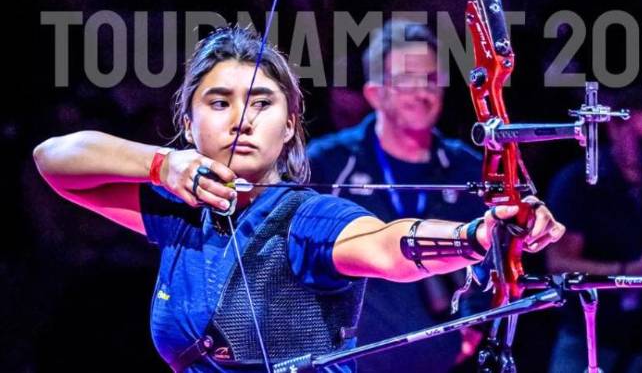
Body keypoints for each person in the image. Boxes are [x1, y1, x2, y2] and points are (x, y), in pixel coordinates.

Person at [32, 26, 565, 373]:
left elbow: (384, 245)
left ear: (289, 126)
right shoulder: (179, 214)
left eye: (261, 103)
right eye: (218, 102)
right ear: (188, 123)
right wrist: (162, 163)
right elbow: (54, 161)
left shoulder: (306, 217)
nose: (241, 118)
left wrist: (479, 235)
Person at [306, 20, 489, 373]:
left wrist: (473, 328)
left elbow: (494, 258)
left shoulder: (469, 168)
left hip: (443, 365)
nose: (423, 92)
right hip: (346, 364)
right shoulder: (327, 163)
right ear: (375, 93)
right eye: (406, 80)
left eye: (432, 79)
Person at [545, 87, 642, 373]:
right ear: (616, 129)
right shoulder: (577, 182)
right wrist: (629, 270)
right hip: (587, 339)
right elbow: (558, 264)